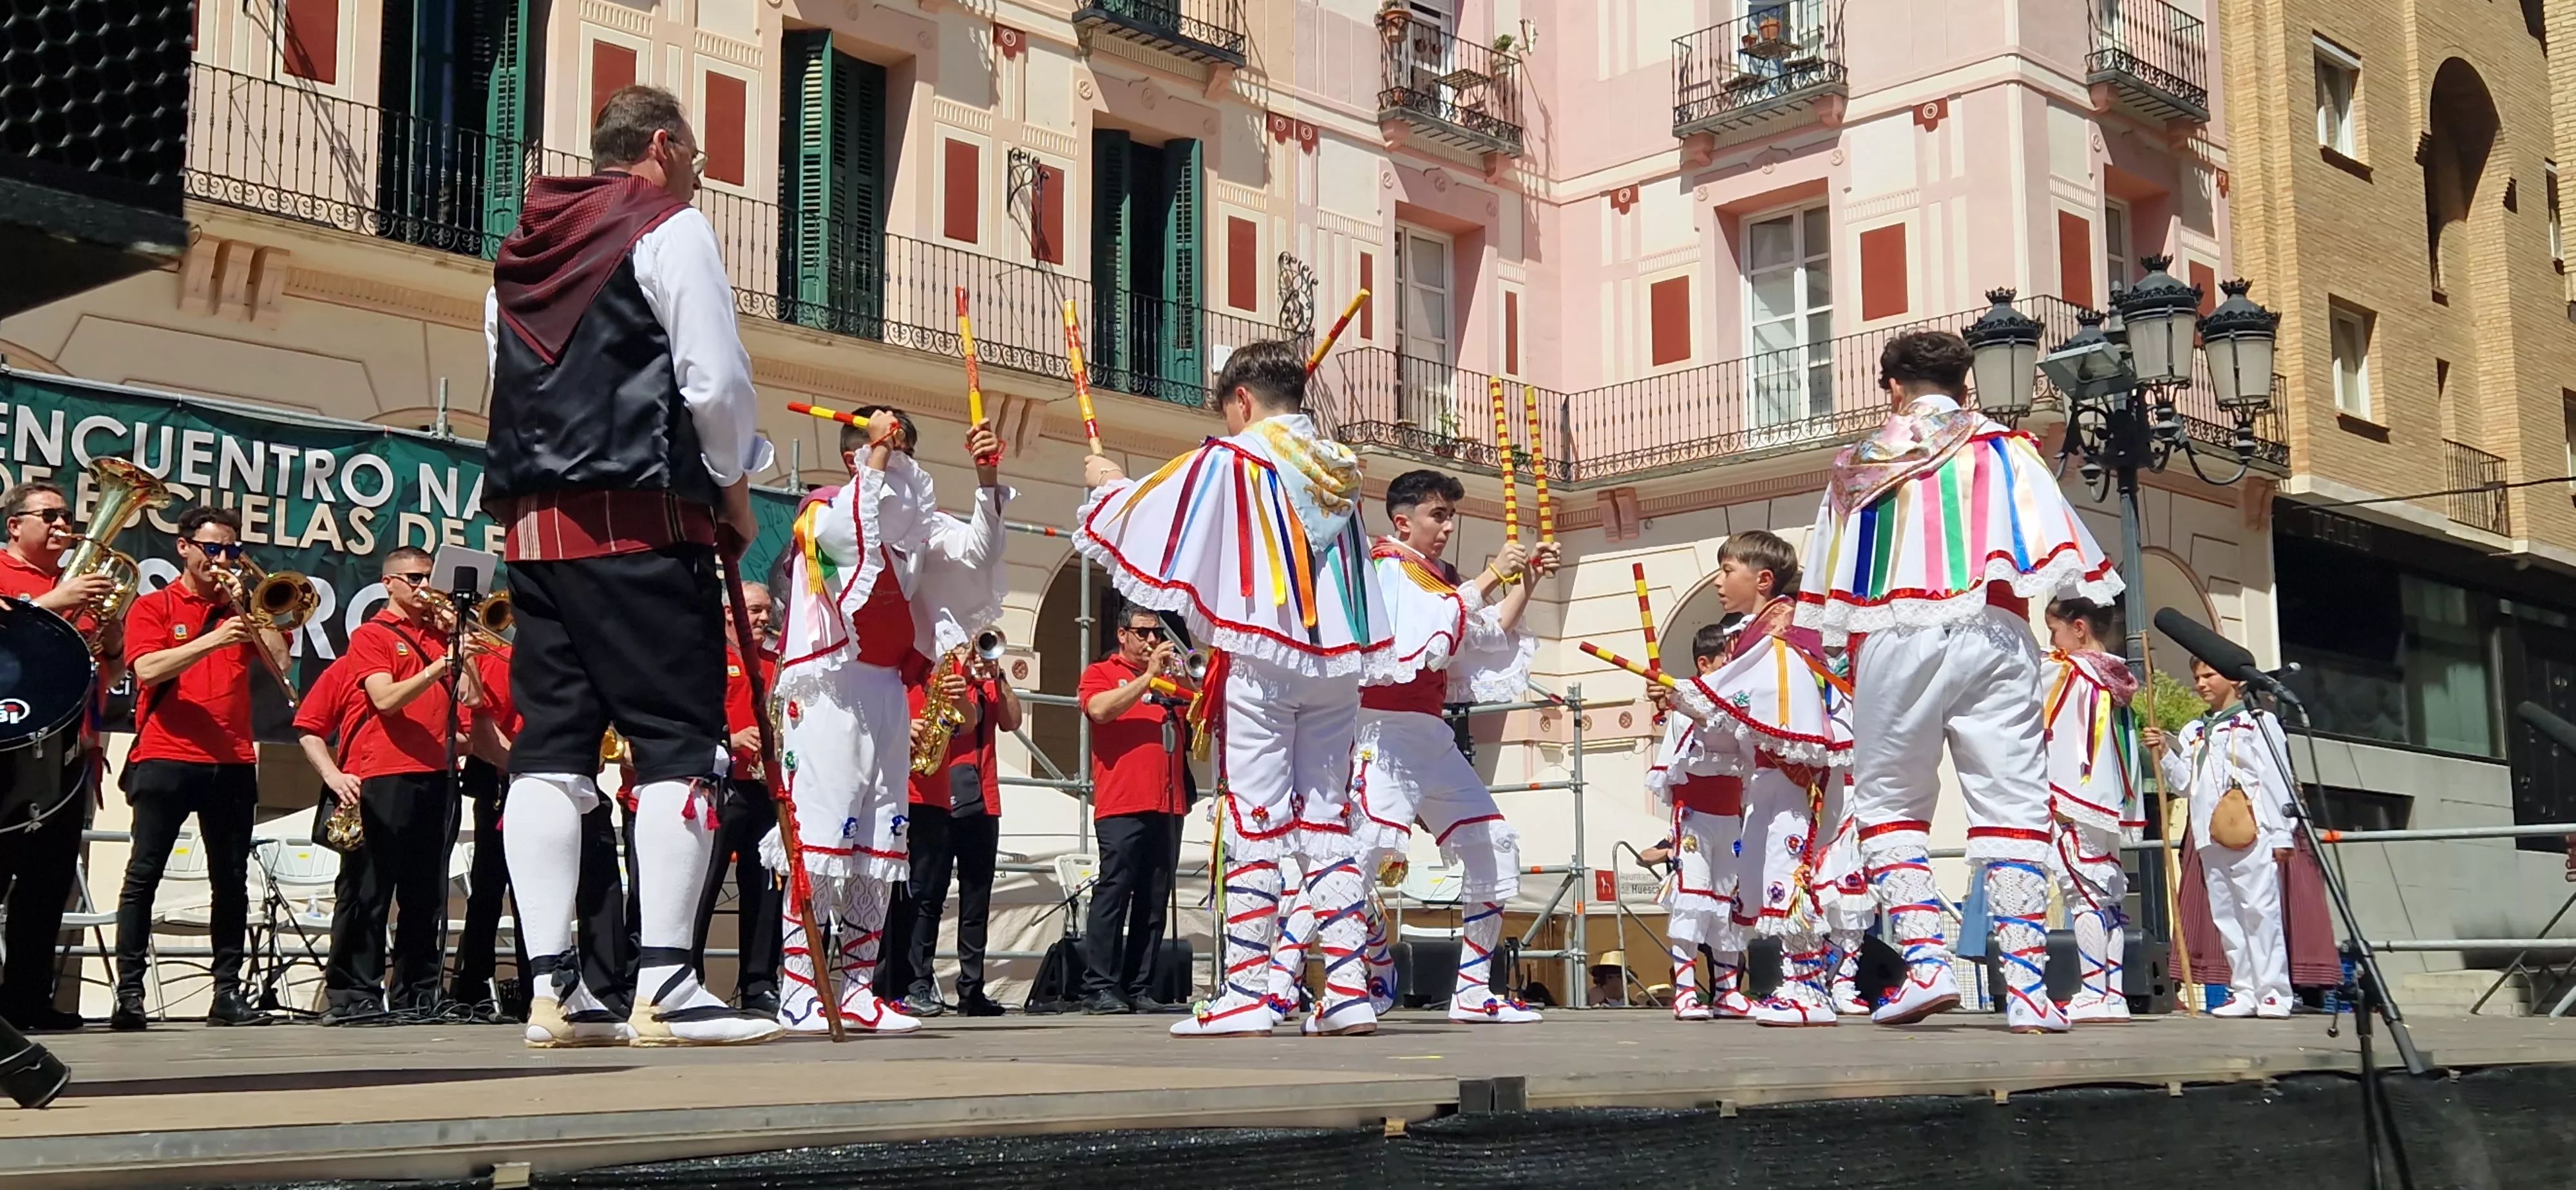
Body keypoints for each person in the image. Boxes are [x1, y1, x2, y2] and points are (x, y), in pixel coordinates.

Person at [482, 84, 779, 1048]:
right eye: (693, 151)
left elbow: (506, 384)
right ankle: (667, 984)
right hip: (644, 523)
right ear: (662, 144)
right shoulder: (670, 226)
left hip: (536, 531)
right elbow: (715, 379)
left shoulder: (519, 255)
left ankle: (548, 990)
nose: (698, 169)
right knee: (678, 744)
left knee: (549, 750)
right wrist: (734, 486)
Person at [1795, 330, 2121, 1034]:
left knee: (1891, 800)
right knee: (2011, 801)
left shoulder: (1856, 464)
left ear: (1892, 387)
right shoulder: (2005, 449)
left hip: (1893, 634)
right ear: (1964, 385)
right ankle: (2031, 991)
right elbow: (2060, 558)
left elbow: (1825, 582)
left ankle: (1927, 963)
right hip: (1994, 630)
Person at [1078, 339, 1392, 1037]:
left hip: (1263, 653)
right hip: (1337, 661)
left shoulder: (1237, 458)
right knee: (1325, 822)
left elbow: (1153, 512)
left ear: (1242, 401)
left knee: (1256, 819)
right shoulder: (1340, 470)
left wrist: (1105, 484)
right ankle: (1347, 991)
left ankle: (1248, 990)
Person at [767, 409, 1009, 1034]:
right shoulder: (822, 511)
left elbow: (977, 555)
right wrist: (876, 461)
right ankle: (799, 987)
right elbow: (850, 541)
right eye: (891, 452)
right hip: (828, 688)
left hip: (883, 691)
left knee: (878, 837)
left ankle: (854, 987)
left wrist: (986, 483)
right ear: (861, 458)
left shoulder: (912, 526)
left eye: (907, 453)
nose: (905, 465)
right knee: (820, 838)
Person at [1345, 468, 1555, 1025]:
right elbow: (1427, 625)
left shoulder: (1440, 579)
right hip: (1381, 731)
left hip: (1429, 734)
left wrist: (1526, 580)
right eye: (1438, 515)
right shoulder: (1387, 567)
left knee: (1493, 842)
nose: (1446, 527)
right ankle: (1346, 977)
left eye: (1449, 517)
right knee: (1363, 857)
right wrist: (1491, 575)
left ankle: (1472, 990)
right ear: (1402, 520)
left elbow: (1485, 635)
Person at [1656, 531, 1855, 1026]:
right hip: (1767, 778)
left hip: (1795, 778)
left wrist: (1696, 696)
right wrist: (1693, 704)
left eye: (1728, 571)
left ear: (1763, 579)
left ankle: (1808, 990)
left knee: (1790, 873)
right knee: (1768, 877)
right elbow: (1734, 722)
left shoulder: (1784, 634)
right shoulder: (1755, 636)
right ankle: (1797, 983)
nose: (1720, 582)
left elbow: (1765, 704)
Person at [113, 505, 292, 1030]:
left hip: (233, 759)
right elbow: (146, 668)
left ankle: (227, 994)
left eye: (232, 550)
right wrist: (214, 637)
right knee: (142, 876)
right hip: (166, 756)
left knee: (230, 881)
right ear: (185, 547)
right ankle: (129, 995)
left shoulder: (240, 606)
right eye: (212, 548)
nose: (222, 559)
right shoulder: (154, 605)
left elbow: (280, 663)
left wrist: (256, 613)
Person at [322, 545, 484, 1019]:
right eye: (413, 578)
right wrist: (438, 665)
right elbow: (385, 698)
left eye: (428, 578)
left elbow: (471, 696)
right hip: (383, 774)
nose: (423, 587)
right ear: (389, 583)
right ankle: (355, 994)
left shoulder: (441, 635)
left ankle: (416, 992)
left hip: (436, 775)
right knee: (369, 892)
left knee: (425, 892)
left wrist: (462, 647)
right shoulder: (371, 635)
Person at [0, 482, 120, 1031]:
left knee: (48, 884)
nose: (62, 525)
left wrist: (112, 634)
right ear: (14, 526)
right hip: (7, 748)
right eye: (49, 516)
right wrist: (49, 606)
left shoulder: (77, 586)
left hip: (69, 749)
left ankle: (26, 1002)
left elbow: (106, 675)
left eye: (67, 516)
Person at [2148, 660, 2297, 1019]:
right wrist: (2166, 754)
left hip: (2252, 829)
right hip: (2209, 834)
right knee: (2227, 914)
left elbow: (2277, 778)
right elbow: (2186, 784)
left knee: (2260, 910)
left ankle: (2274, 991)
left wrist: (2282, 833)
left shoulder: (2257, 723)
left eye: (2208, 676)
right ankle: (2245, 988)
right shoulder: (2194, 730)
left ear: (2234, 680)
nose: (2200, 684)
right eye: (2197, 677)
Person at [1077, 609, 1195, 1015]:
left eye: (1157, 633)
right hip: (1123, 802)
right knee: (1115, 891)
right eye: (1143, 633)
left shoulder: (1173, 680)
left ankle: (1138, 985)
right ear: (1123, 633)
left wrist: (1196, 682)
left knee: (1154, 896)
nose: (1151, 640)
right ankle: (1099, 986)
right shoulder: (1102, 672)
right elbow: (1098, 710)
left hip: (1168, 802)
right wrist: (1147, 678)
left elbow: (1200, 721)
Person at [898, 645, 1019, 1018]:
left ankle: (972, 987)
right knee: (928, 894)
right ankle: (918, 982)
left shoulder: (983, 681)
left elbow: (1012, 721)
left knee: (977, 900)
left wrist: (998, 675)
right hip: (937, 793)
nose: (972, 650)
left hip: (983, 797)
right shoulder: (934, 676)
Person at [2040, 597, 2141, 1025]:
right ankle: (2113, 994)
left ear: (2078, 628)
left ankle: (2094, 989)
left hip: (2075, 796)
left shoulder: (2070, 671)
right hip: (2109, 799)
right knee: (2107, 899)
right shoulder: (2116, 674)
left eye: (2055, 631)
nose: (2052, 641)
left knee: (2082, 897)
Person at [1645, 624, 1749, 1021]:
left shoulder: (1740, 698)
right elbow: (1693, 731)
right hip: (1695, 815)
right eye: (1727, 659)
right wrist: (1673, 700)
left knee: (1727, 901)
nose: (1734, 666)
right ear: (1705, 663)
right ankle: (1686, 991)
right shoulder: (1688, 696)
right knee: (1693, 897)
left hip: (1730, 816)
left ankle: (1727, 990)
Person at [694, 581, 781, 1015]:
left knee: (765, 889)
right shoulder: (708, 657)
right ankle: (689, 977)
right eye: (756, 610)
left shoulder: (776, 663)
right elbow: (692, 718)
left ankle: (760, 984)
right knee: (704, 886)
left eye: (767, 611)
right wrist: (730, 737)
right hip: (721, 786)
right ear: (730, 612)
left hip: (766, 788)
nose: (765, 618)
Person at [451, 607, 521, 1018]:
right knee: (489, 887)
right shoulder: (496, 654)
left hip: (536, 774)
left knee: (537, 890)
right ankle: (472, 987)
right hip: (502, 779)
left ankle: (538, 987)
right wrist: (511, 762)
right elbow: (479, 719)